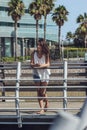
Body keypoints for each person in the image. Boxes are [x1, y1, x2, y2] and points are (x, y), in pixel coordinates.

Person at [30, 39, 51, 114]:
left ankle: (47, 102)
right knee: (39, 91)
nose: (38, 46)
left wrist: (41, 66)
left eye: (40, 45)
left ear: (43, 46)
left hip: (45, 73)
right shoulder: (33, 53)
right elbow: (31, 63)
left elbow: (48, 64)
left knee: (43, 91)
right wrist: (35, 65)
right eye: (37, 45)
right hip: (36, 73)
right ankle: (41, 109)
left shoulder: (46, 53)